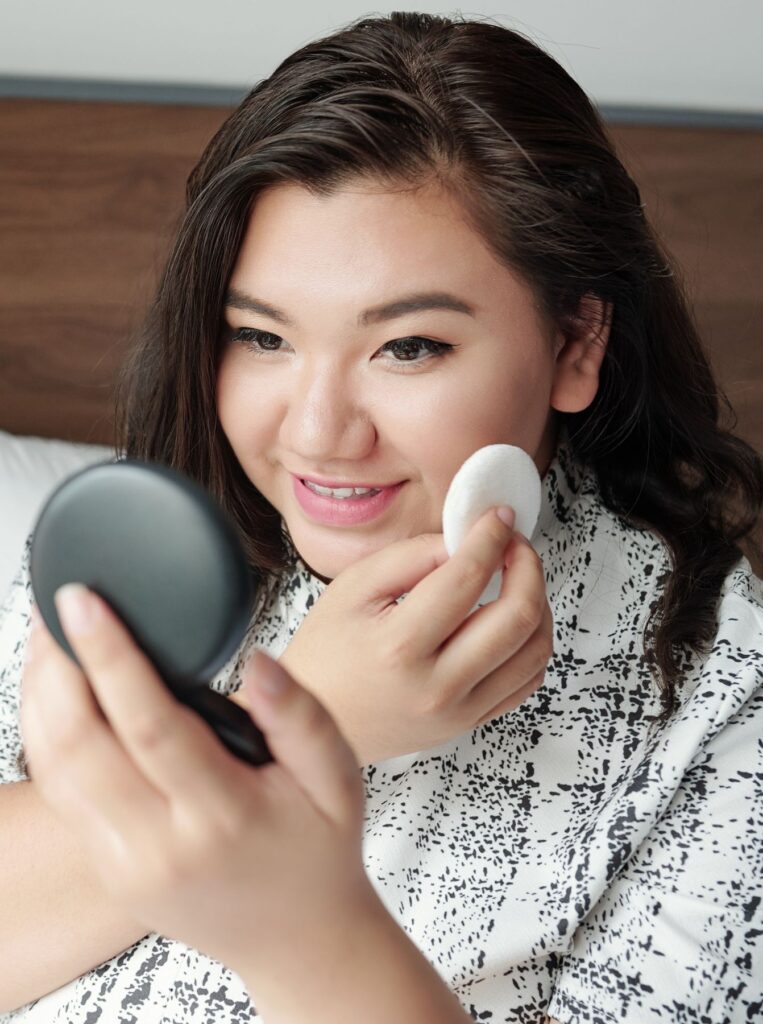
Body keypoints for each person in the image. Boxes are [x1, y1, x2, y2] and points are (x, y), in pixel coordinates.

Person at [1, 10, 761, 1023]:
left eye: (406, 347)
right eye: (260, 337)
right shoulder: (131, 557)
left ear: (575, 344)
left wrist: (305, 928)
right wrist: (310, 713)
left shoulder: (720, 697)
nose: (316, 433)